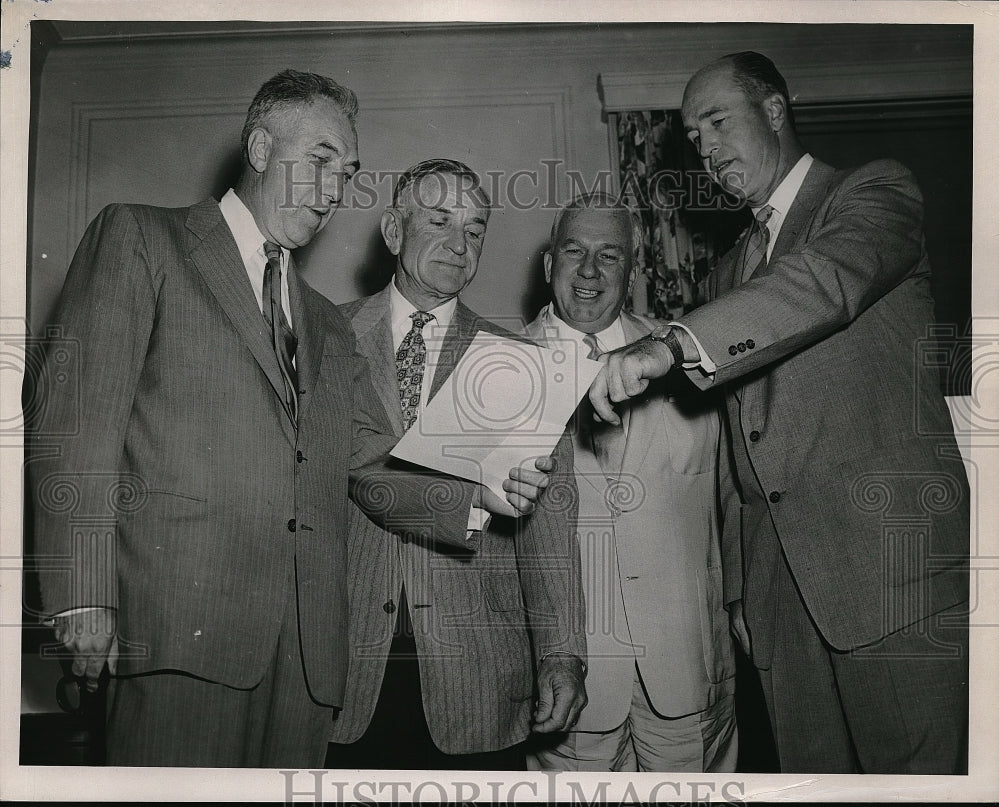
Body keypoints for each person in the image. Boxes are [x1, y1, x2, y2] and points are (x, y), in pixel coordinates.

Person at [27, 71, 552, 768]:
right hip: (177, 642)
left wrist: (480, 492)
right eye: (321, 161)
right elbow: (75, 422)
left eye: (349, 172)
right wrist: (81, 593)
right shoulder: (142, 239)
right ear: (261, 145)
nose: (335, 190)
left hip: (308, 668)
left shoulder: (327, 322)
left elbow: (368, 459)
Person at [589, 51, 969, 774]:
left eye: (716, 121)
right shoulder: (732, 267)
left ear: (774, 108)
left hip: (889, 576)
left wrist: (672, 344)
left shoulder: (873, 195)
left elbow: (827, 280)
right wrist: (741, 584)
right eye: (694, 138)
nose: (705, 149)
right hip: (776, 600)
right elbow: (743, 443)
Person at [325, 159, 587, 770]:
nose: (458, 243)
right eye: (439, 221)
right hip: (339, 664)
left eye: (474, 231)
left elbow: (549, 529)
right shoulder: (322, 336)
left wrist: (561, 654)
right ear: (393, 231)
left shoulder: (522, 362)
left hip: (477, 676)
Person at [522, 194, 737, 772]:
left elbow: (731, 494)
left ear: (633, 270)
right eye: (575, 252)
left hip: (690, 662)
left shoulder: (690, 356)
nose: (590, 271)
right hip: (568, 682)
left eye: (609, 255)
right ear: (548, 266)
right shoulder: (497, 370)